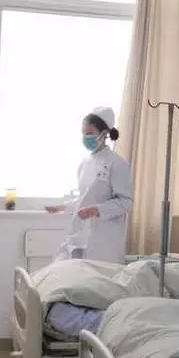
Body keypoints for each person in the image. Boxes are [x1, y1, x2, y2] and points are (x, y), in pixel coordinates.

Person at [46, 107, 134, 263]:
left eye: (90, 133)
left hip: (104, 239)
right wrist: (63, 207)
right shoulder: (84, 164)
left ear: (104, 133)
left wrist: (97, 210)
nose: (86, 137)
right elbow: (85, 198)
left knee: (98, 276)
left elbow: (126, 202)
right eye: (83, 133)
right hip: (80, 234)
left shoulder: (117, 163)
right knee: (66, 268)